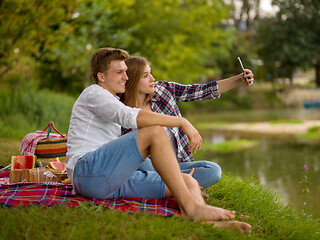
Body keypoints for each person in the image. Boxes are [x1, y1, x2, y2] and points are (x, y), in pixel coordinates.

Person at [66, 47, 251, 233]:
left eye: (126, 71)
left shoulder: (117, 98)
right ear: (101, 77)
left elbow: (198, 90)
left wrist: (238, 79)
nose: (126, 77)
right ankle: (193, 208)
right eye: (119, 72)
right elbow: (130, 117)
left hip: (114, 182)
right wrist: (181, 121)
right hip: (87, 173)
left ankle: (206, 222)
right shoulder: (94, 94)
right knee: (153, 132)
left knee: (187, 181)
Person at [120, 56, 254, 189]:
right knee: (138, 158)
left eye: (151, 73)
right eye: (145, 75)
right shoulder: (120, 111)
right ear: (131, 80)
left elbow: (202, 91)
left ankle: (169, 186)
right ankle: (182, 185)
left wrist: (239, 79)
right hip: (149, 168)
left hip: (178, 165)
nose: (152, 79)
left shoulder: (163, 90)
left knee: (213, 170)